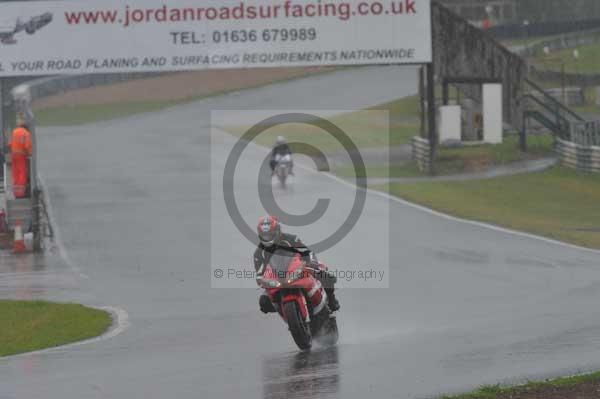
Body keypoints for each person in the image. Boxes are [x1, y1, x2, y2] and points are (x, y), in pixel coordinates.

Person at [253, 215, 340, 314]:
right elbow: (260, 273)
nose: (267, 238)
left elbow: (307, 252)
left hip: (298, 268)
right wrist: (262, 280)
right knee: (264, 302)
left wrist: (312, 263)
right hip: (278, 279)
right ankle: (285, 312)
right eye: (264, 235)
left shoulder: (291, 239)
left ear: (277, 231)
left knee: (324, 274)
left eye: (269, 234)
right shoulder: (259, 253)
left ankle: (332, 301)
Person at [9, 115, 32, 198]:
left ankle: (16, 193)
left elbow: (10, 144)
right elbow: (27, 146)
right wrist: (30, 153)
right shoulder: (26, 133)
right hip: (21, 155)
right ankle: (21, 193)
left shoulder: (14, 131)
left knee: (15, 173)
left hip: (13, 154)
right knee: (22, 173)